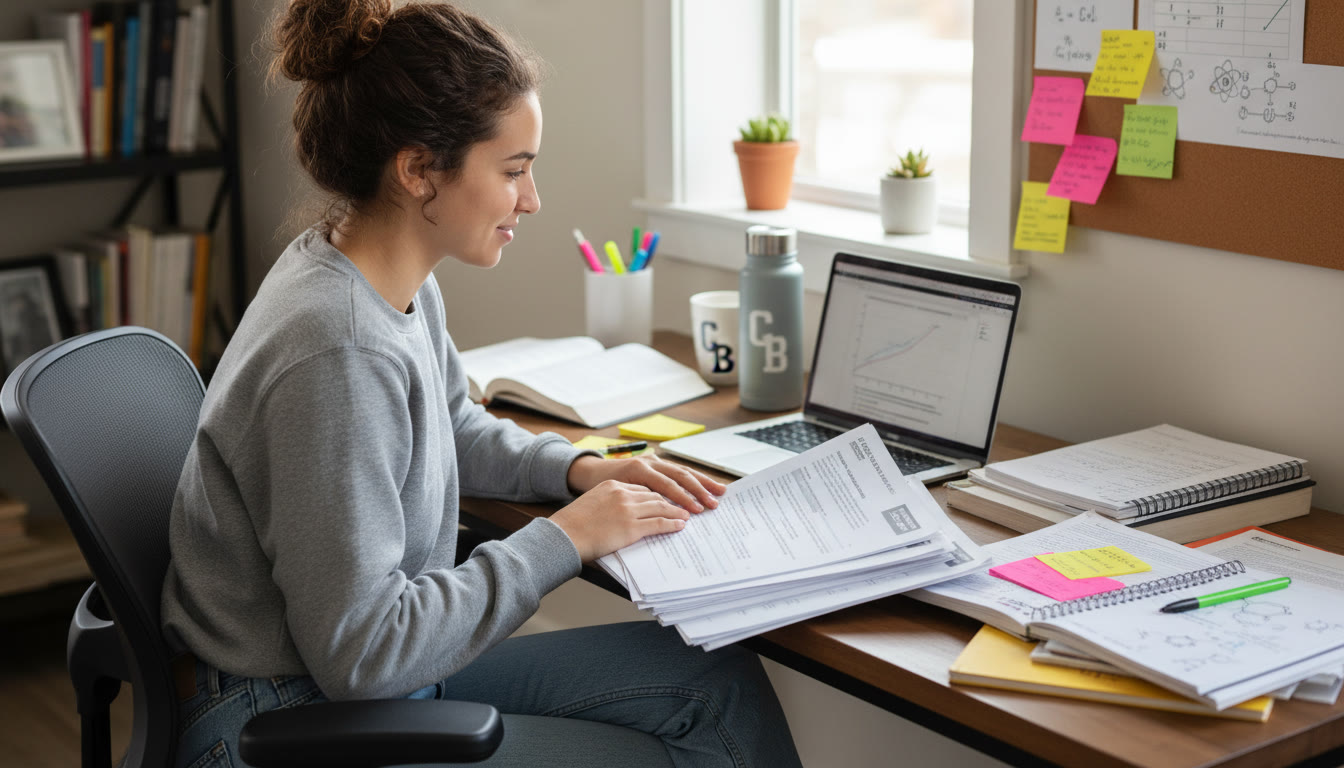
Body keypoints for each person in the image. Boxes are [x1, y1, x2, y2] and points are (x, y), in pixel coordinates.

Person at [159, 1, 804, 766]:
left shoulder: (378, 273)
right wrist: (567, 536)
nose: (531, 200)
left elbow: (450, 428)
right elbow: (363, 655)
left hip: (345, 683)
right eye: (513, 171)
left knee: (718, 680)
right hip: (286, 715)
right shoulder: (338, 350)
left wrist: (578, 469)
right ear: (418, 171)